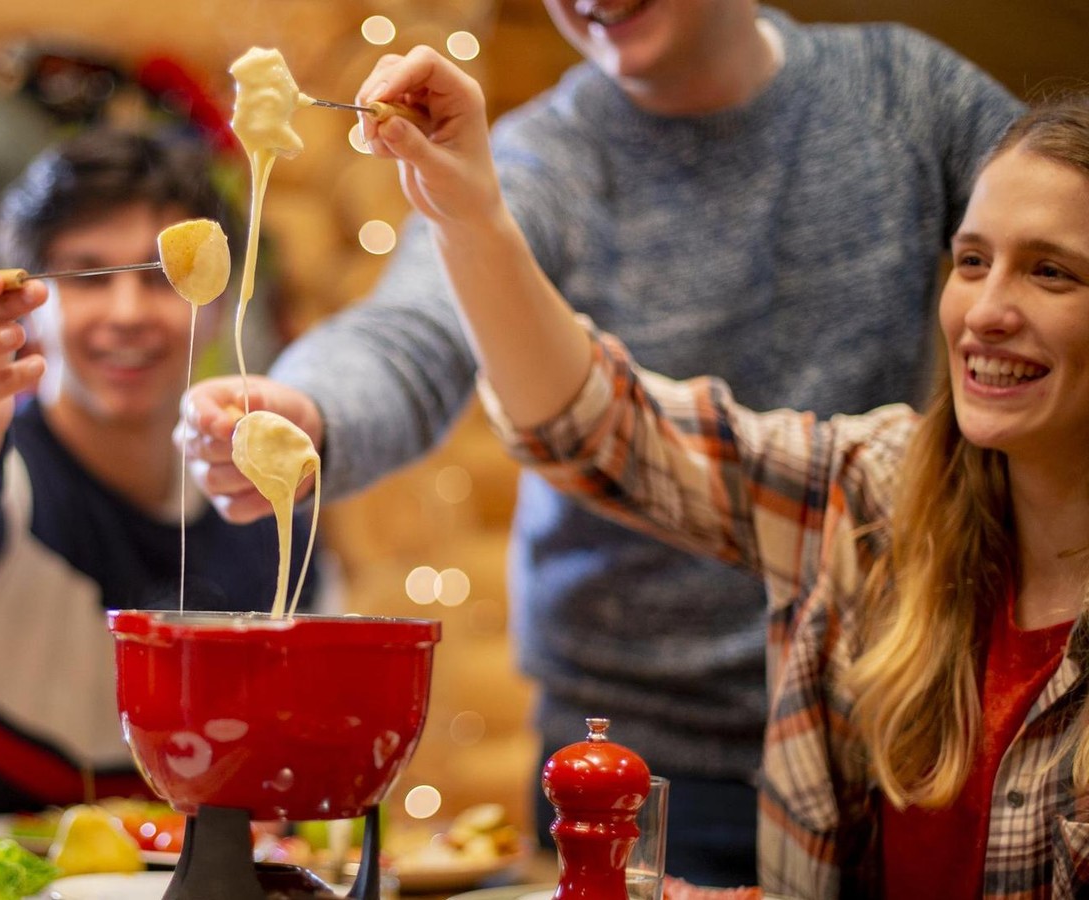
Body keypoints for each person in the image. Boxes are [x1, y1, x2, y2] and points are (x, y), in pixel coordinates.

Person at [180, 2, 1019, 883]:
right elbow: (413, 331)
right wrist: (305, 409)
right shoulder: (540, 156)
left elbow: (1056, 224)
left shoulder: (904, 93)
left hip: (891, 732)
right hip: (618, 757)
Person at [358, 48, 1089, 895]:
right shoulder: (879, 492)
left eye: (1050, 272)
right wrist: (468, 212)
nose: (987, 311)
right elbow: (603, 428)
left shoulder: (897, 84)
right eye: (971, 261)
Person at [0, 127, 318, 812]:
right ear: (31, 306)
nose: (127, 314)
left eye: (164, 278)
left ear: (220, 306)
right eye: (89, 276)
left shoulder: (259, 505)